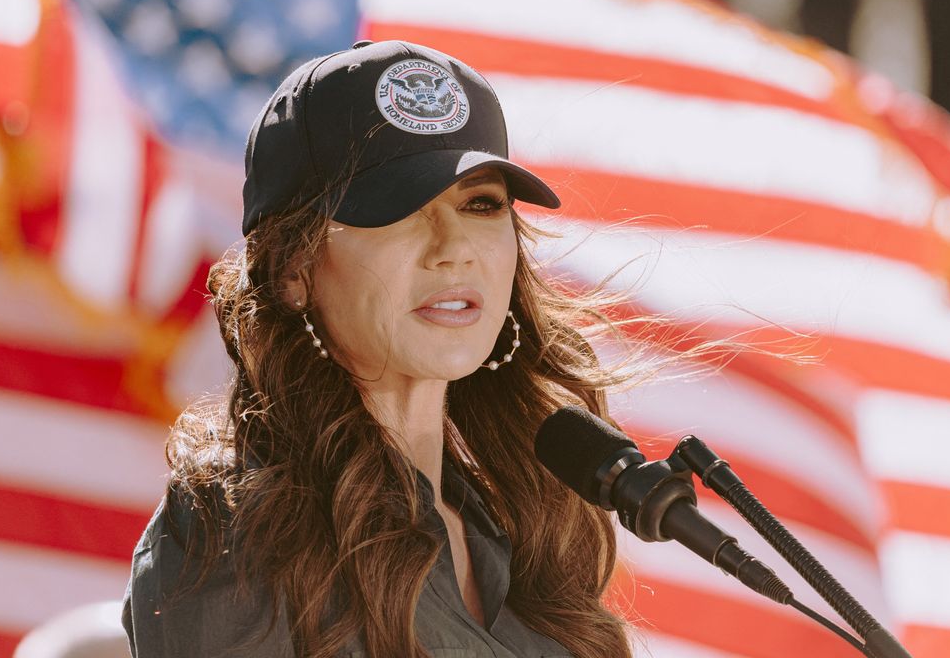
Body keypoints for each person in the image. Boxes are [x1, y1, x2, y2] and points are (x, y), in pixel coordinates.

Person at [121, 40, 673, 657]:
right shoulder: (233, 529)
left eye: (482, 205)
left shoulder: (523, 531)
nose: (454, 245)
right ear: (292, 269)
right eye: (399, 207)